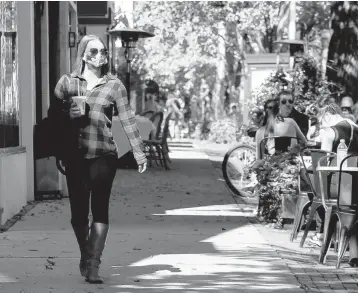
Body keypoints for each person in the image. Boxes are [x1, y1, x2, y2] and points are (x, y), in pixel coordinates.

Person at [53, 35, 147, 284]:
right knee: (78, 214)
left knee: (100, 208)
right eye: (94, 51)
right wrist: (67, 114)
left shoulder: (114, 85)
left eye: (104, 52)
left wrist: (138, 151)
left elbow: (127, 119)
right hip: (74, 155)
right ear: (83, 54)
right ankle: (86, 254)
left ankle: (93, 265)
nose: (100, 56)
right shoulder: (67, 83)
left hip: (104, 154)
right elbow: (53, 117)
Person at [309, 103, 358, 267]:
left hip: (339, 189)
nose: (321, 126)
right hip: (355, 186)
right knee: (351, 207)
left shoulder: (329, 131)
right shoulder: (356, 127)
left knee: (316, 186)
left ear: (327, 116)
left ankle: (323, 235)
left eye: (321, 121)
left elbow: (323, 163)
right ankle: (352, 251)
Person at [253, 98, 307, 228]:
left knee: (262, 170)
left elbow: (259, 158)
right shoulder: (291, 123)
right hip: (290, 171)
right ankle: (293, 216)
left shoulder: (261, 132)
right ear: (279, 110)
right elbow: (304, 142)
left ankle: (269, 214)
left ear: (265, 112)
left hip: (271, 174)